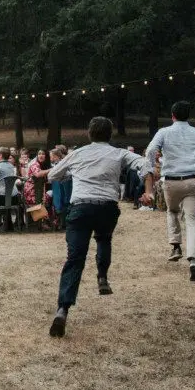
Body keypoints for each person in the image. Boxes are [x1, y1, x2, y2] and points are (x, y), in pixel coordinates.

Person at [46, 117, 153, 338]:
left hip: (81, 207)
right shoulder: (118, 153)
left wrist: (71, 173)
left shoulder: (78, 153)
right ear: (110, 134)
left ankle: (62, 309)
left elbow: (52, 174)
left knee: (75, 258)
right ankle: (102, 277)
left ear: (89, 133)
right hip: (106, 207)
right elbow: (145, 164)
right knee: (103, 239)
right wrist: (149, 190)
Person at [145, 101, 195, 282]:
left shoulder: (164, 132)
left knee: (173, 211)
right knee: (192, 221)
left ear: (172, 116)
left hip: (171, 181)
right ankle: (193, 260)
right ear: (189, 116)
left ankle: (176, 245)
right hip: (193, 180)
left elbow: (151, 149)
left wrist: (153, 166)